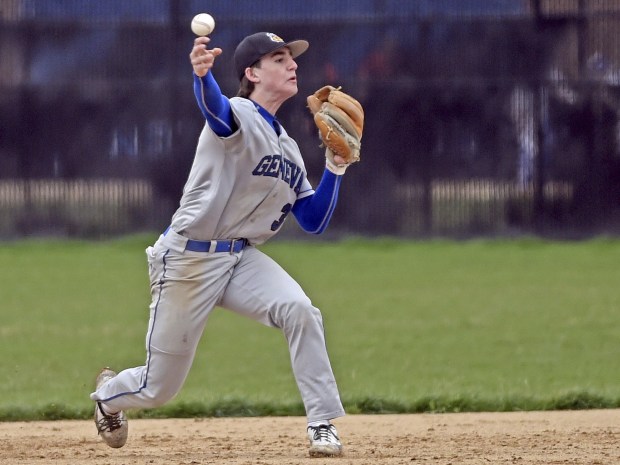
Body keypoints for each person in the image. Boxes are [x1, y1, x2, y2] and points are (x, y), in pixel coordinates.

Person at [90, 31, 358, 457]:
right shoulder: (238, 113)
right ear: (251, 73)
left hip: (239, 259)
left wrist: (334, 168)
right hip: (186, 261)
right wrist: (202, 75)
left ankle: (322, 423)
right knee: (159, 387)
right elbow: (214, 109)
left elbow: (313, 220)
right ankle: (108, 396)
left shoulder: (288, 149)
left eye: (292, 58)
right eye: (279, 58)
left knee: (300, 310)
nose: (292, 65)